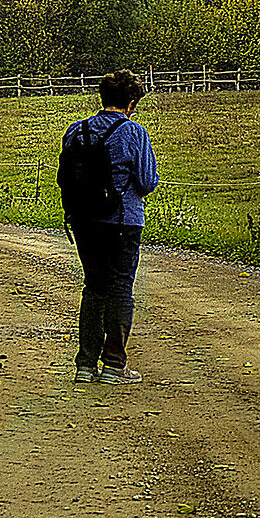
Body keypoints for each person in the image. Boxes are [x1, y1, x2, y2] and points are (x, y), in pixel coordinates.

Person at [62, 70, 161, 384]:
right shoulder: (134, 132)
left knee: (93, 288)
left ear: (102, 97)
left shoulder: (76, 131)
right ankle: (115, 365)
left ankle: (85, 365)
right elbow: (146, 182)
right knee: (120, 290)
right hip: (122, 220)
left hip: (83, 220)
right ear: (131, 102)